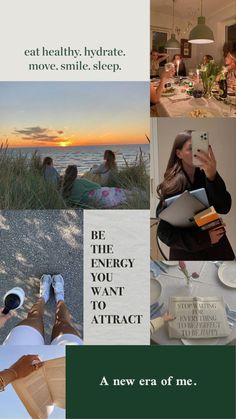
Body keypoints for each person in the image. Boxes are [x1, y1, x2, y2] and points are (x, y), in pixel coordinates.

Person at [156, 130, 235, 261]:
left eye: (198, 148)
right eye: (190, 149)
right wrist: (204, 239)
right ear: (178, 153)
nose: (196, 153)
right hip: (188, 255)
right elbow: (164, 232)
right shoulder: (172, 185)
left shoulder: (207, 175)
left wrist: (212, 176)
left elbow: (224, 207)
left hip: (218, 249)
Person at [1, 274, 83, 345]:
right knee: (64, 322)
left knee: (34, 317)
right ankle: (59, 297)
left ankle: (45, 296)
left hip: (9, 355)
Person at [61, 165, 127, 208]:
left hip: (95, 201)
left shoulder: (63, 186)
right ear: (76, 173)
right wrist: (89, 189)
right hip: (100, 196)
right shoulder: (80, 181)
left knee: (113, 192)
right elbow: (97, 186)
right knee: (114, 191)